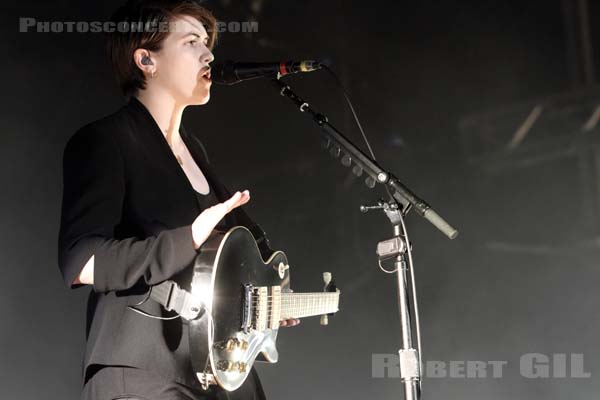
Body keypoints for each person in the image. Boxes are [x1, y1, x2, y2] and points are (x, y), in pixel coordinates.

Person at [57, 1, 298, 399]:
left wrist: (270, 297)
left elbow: (240, 256)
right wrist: (188, 238)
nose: (209, 54)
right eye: (191, 42)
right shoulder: (104, 141)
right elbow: (81, 261)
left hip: (214, 371)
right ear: (146, 60)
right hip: (143, 370)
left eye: (207, 43)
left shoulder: (195, 150)